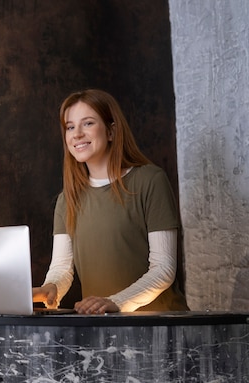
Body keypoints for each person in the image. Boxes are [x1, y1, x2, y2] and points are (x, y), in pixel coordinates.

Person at [32, 89, 189, 314]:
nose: (76, 134)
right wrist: (50, 289)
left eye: (87, 123)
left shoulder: (150, 181)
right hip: (105, 329)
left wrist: (118, 302)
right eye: (70, 127)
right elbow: (62, 269)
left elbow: (163, 268)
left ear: (111, 131)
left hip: (161, 328)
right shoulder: (67, 199)